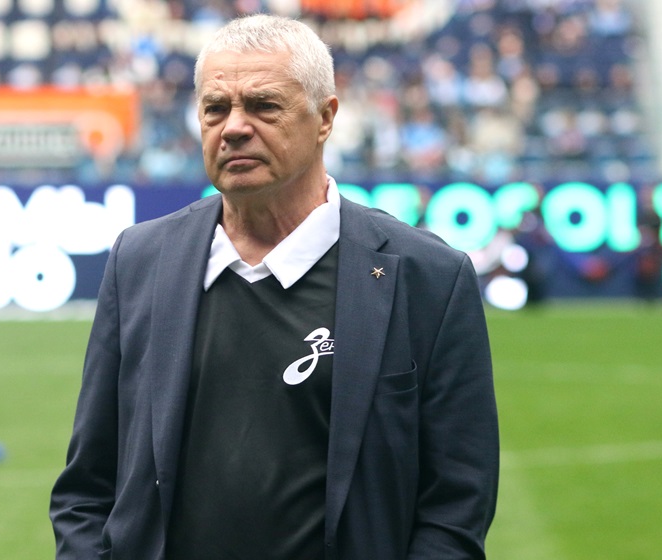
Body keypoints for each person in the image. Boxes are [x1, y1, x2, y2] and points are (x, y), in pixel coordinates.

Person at [50, 14, 499, 560]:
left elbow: (455, 509)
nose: (234, 127)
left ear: (325, 118)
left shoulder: (429, 278)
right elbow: (88, 486)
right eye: (215, 108)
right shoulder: (139, 260)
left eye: (264, 106)